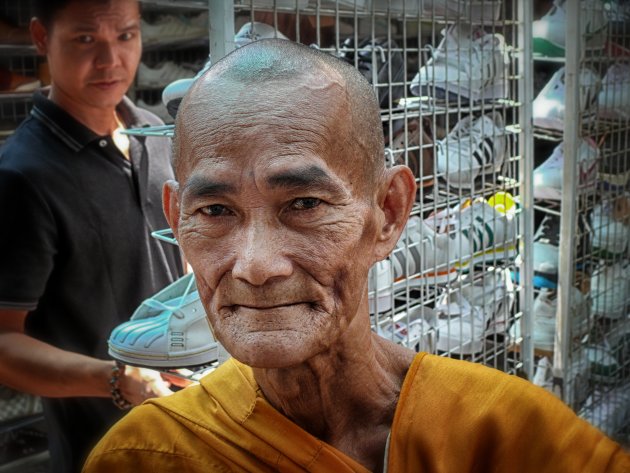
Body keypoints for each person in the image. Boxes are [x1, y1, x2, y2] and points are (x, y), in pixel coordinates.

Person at [83, 40, 630, 472]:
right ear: (177, 216)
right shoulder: (148, 456)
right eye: (215, 212)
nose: (255, 265)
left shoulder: (505, 433)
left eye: (303, 203)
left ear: (388, 213)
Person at [0, 0, 184, 471]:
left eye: (125, 36)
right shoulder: (23, 176)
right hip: (105, 444)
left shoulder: (155, 132)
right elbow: (3, 342)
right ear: (42, 39)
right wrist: (118, 378)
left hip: (191, 419)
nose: (110, 61)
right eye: (86, 40)